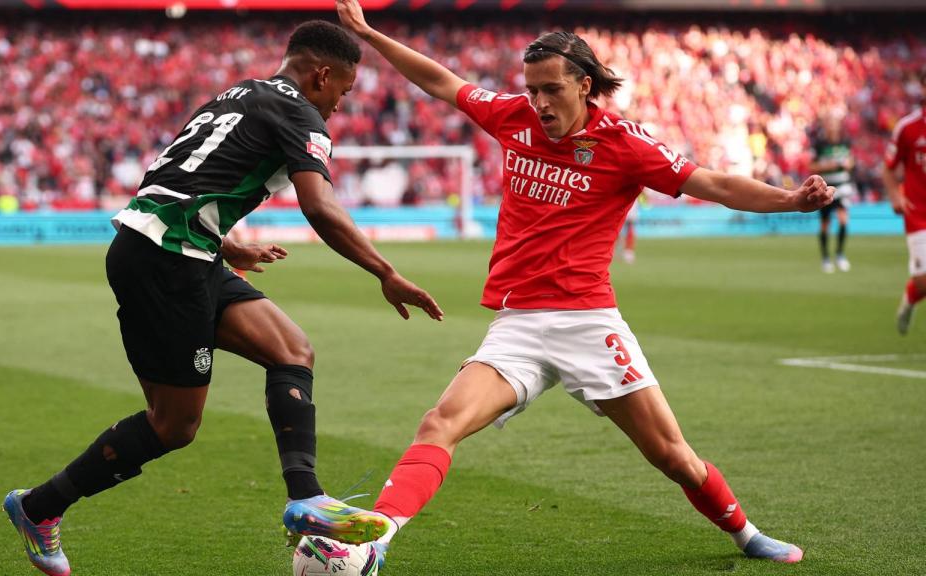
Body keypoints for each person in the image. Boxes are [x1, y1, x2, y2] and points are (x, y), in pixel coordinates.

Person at [308, 1, 836, 569]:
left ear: (584, 85)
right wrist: (369, 34)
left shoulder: (625, 143)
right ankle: (373, 539)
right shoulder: (513, 116)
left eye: (551, 90)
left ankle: (747, 534)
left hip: (589, 322)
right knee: (440, 422)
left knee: (672, 456)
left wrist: (788, 200)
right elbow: (442, 81)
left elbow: (710, 182)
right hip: (518, 325)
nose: (538, 103)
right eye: (531, 89)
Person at [3, 21, 443, 576]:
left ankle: (306, 500)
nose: (339, 104)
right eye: (343, 91)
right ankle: (37, 508)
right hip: (166, 261)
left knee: (291, 348)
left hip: (186, 248)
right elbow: (320, 207)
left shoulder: (237, 93)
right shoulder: (302, 115)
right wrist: (384, 271)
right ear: (322, 75)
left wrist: (228, 244)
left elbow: (176, 178)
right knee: (173, 425)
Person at [883, 68, 926, 335]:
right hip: (918, 211)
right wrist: (895, 195)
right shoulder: (908, 128)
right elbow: (888, 167)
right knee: (923, 283)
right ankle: (910, 300)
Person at [809, 114, 857, 273]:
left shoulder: (845, 142)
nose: (832, 127)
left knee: (843, 220)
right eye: (829, 124)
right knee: (825, 224)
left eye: (834, 124)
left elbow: (851, 162)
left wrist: (848, 164)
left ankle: (840, 254)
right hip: (826, 187)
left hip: (843, 187)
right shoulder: (820, 144)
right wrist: (831, 165)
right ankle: (825, 258)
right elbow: (812, 165)